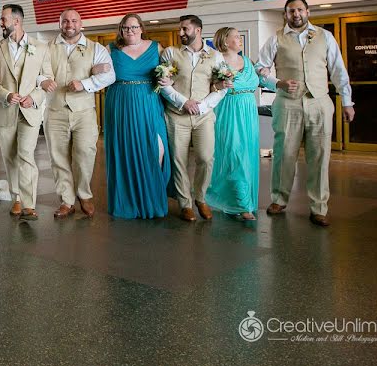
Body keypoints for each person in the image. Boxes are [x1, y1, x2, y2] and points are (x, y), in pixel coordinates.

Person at [256, 0, 355, 227]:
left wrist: (347, 102)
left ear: (308, 11)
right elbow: (259, 69)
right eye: (291, 11)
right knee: (284, 153)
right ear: (286, 14)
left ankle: (319, 208)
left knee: (320, 155)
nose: (296, 14)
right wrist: (277, 82)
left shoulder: (325, 36)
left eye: (300, 10)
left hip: (319, 102)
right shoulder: (276, 39)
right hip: (287, 103)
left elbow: (338, 70)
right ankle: (279, 199)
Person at [0, 4, 54, 221]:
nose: (0, 23)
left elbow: (47, 79)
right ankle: (16, 196)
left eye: (3, 19)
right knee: (10, 157)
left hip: (29, 112)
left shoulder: (41, 47)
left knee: (25, 155)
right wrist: (5, 95)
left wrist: (33, 97)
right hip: (6, 110)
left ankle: (28, 203)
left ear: (16, 21)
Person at [44, 9, 115, 219]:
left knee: (85, 152)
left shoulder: (96, 48)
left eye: (74, 20)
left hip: (84, 111)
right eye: (65, 21)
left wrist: (85, 84)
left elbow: (110, 75)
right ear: (60, 23)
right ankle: (67, 200)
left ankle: (84, 194)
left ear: (80, 23)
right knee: (58, 157)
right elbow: (39, 73)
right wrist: (42, 81)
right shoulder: (47, 47)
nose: (69, 24)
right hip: (55, 109)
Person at [159, 15, 229, 222]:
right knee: (178, 160)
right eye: (180, 29)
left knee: (206, 158)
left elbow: (223, 86)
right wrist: (183, 102)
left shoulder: (216, 56)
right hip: (176, 115)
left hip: (204, 116)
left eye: (185, 29)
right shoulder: (171, 53)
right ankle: (184, 203)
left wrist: (203, 105)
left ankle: (200, 197)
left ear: (198, 30)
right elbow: (163, 84)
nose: (181, 33)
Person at [103, 14, 172, 219]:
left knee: (156, 149)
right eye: (125, 28)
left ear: (141, 28)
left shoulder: (156, 48)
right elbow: (97, 72)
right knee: (124, 151)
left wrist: (168, 79)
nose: (130, 31)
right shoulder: (110, 49)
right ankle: (128, 201)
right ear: (121, 30)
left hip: (149, 102)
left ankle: (152, 199)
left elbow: (171, 73)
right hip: (120, 103)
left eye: (133, 27)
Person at [205, 27, 260, 220]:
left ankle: (236, 199)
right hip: (228, 110)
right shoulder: (217, 61)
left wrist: (280, 84)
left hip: (249, 112)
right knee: (234, 155)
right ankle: (243, 205)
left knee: (247, 155)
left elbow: (262, 79)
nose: (240, 39)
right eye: (236, 37)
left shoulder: (248, 61)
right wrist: (217, 85)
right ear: (225, 41)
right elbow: (208, 86)